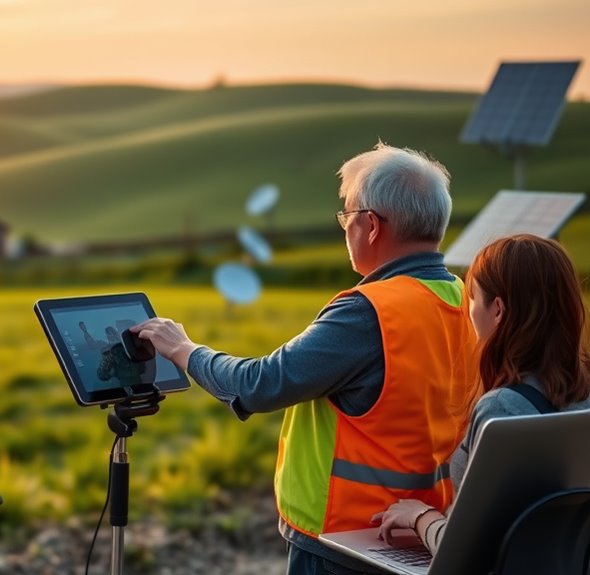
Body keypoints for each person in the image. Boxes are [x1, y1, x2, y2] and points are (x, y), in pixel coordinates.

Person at [133, 143, 479, 575]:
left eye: (347, 216)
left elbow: (259, 385)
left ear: (371, 225)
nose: (345, 229)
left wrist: (184, 350)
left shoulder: (368, 311)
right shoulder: (464, 299)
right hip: (422, 531)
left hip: (345, 543)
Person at [371, 234, 590, 554]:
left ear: (498, 310)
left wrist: (419, 516)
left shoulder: (501, 408)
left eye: (472, 298)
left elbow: (466, 552)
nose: (469, 312)